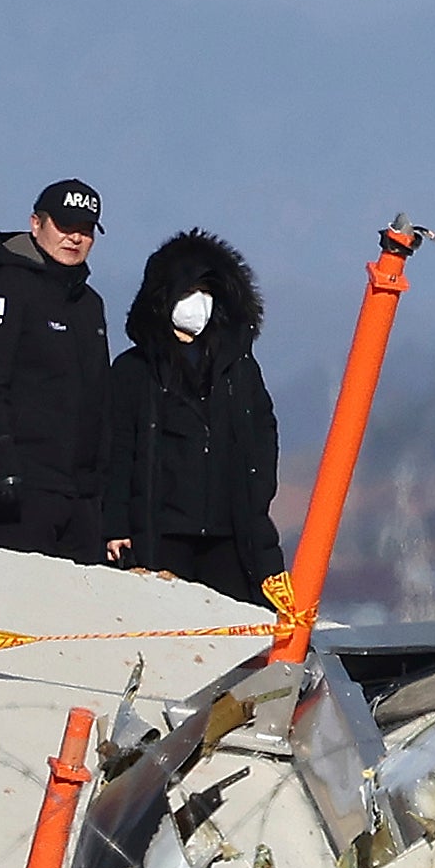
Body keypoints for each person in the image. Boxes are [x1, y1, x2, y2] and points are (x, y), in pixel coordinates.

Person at [95, 231, 285, 604]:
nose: (197, 302)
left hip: (231, 533)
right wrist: (116, 524)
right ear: (163, 298)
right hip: (161, 533)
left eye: (206, 290)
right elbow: (116, 451)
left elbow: (264, 435)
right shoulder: (135, 369)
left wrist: (257, 494)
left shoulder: (238, 368)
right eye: (186, 291)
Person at [0, 177, 115, 562]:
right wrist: (2, 468)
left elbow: (99, 396)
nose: (75, 238)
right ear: (36, 224)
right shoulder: (2, 289)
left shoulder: (90, 304)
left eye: (85, 230)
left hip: (81, 492)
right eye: (65, 226)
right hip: (21, 486)